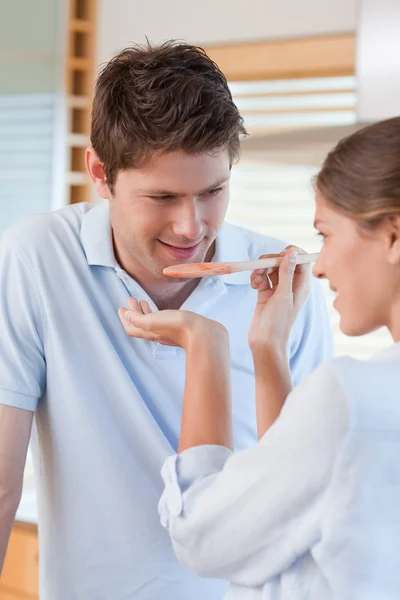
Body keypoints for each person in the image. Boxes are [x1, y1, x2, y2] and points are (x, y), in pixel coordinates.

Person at [0, 42, 332, 600]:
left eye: (213, 191)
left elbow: (304, 488)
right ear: (101, 174)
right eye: (162, 196)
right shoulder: (36, 258)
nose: (190, 226)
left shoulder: (281, 283)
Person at [119, 116, 400, 600]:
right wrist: (268, 351)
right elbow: (295, 498)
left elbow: (202, 537)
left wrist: (205, 347)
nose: (322, 266)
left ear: (393, 236)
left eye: (327, 235)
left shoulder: (353, 397)